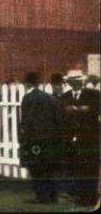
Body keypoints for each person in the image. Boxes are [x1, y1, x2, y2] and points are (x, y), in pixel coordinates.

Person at [58, 70, 100, 207]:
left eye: (77, 80)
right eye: (71, 80)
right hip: (71, 140)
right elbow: (60, 118)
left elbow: (96, 111)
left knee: (90, 169)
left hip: (89, 139)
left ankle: (91, 199)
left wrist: (84, 109)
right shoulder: (64, 97)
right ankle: (80, 198)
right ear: (69, 82)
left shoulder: (94, 95)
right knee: (76, 169)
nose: (74, 82)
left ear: (81, 81)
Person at [18, 71, 59, 204]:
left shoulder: (28, 98)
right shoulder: (49, 97)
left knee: (36, 168)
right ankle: (52, 196)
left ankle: (41, 196)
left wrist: (23, 136)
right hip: (50, 138)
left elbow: (27, 120)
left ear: (28, 84)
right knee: (47, 168)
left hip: (34, 139)